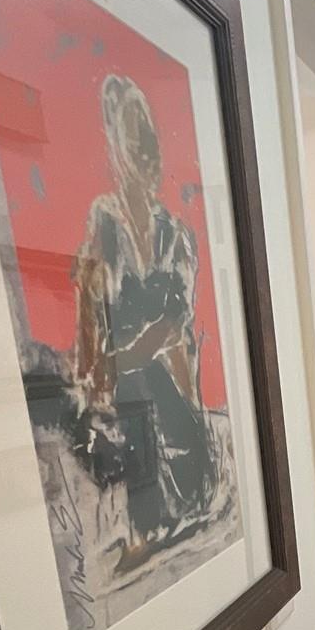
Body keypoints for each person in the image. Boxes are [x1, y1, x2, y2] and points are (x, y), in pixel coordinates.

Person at [69, 73, 222, 573]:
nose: (147, 155)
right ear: (116, 146)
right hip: (124, 379)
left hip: (155, 370)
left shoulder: (174, 233)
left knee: (155, 397)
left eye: (151, 141)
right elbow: (90, 302)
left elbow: (176, 322)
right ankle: (143, 527)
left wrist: (126, 358)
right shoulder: (103, 220)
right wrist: (93, 372)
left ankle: (168, 510)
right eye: (135, 141)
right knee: (130, 396)